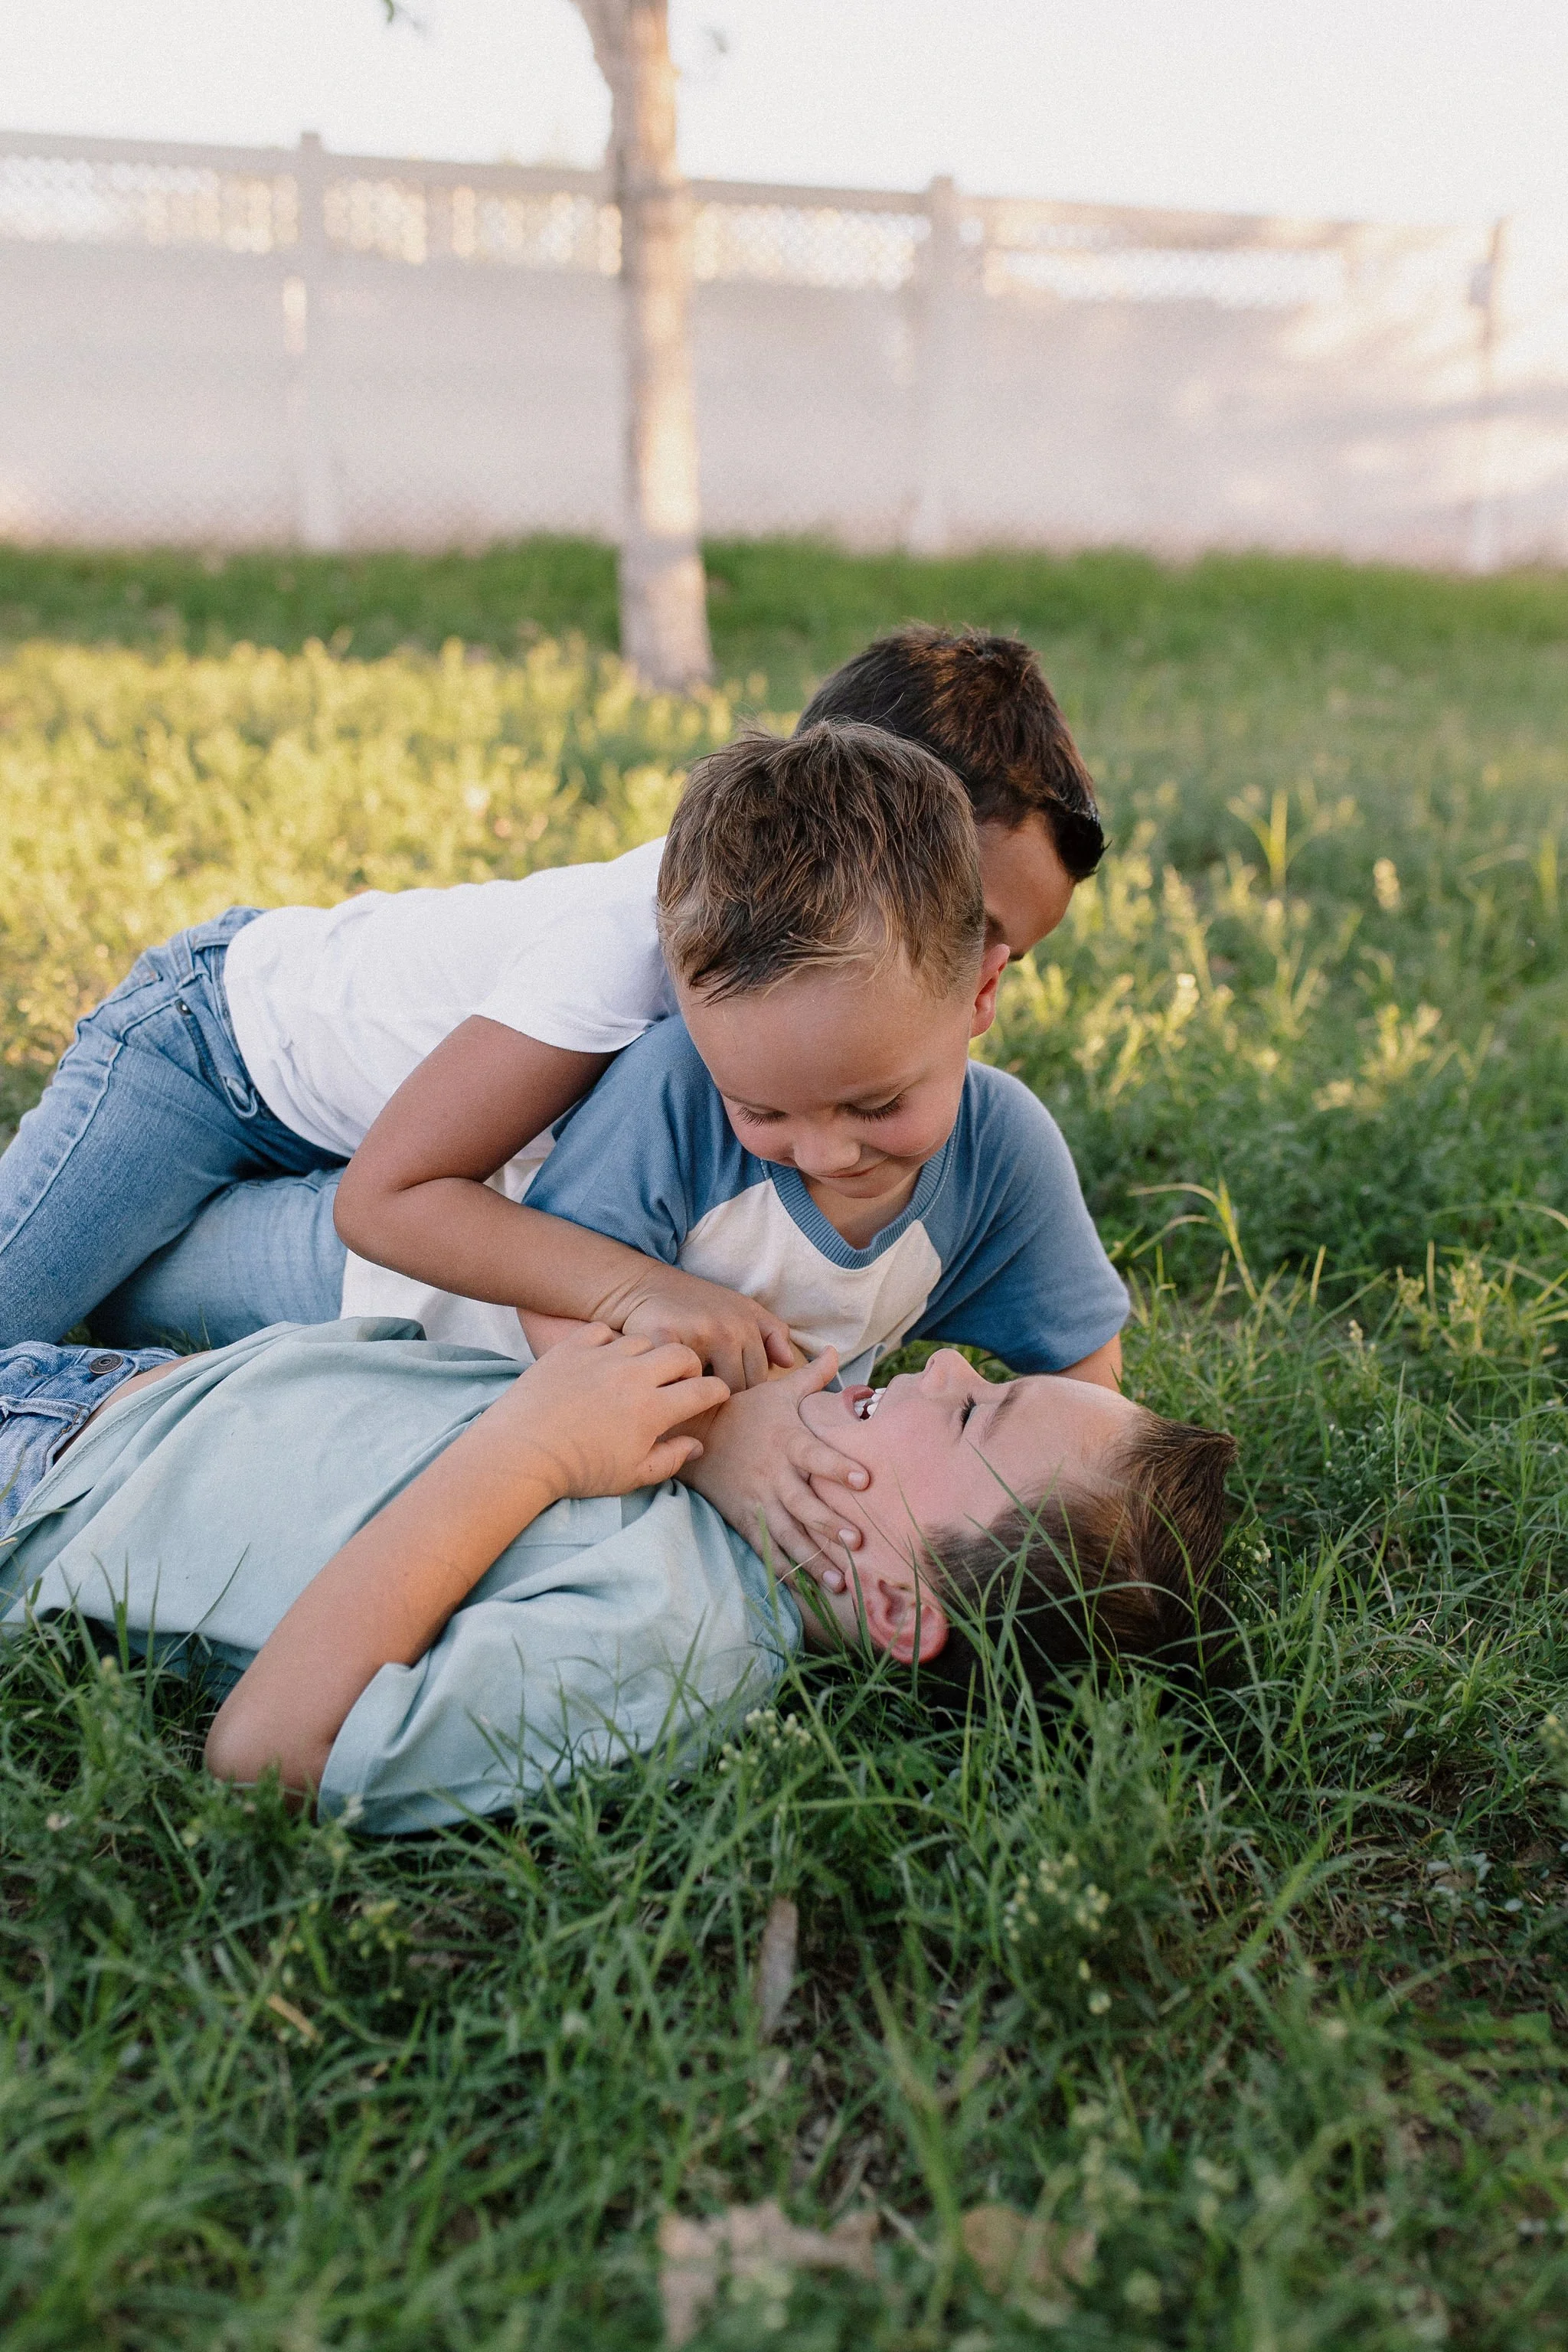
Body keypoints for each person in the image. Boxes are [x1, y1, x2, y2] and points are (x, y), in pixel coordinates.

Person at [89, 724, 1129, 1577]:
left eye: (876, 1102)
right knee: (125, 1290)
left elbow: (1087, 1402)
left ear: (984, 992)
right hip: (384, 1295)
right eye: (762, 1113)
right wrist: (715, 1442)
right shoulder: (677, 1081)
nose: (824, 1151)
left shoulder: (1006, 1164)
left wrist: (1106, 1550)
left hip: (440, 1342)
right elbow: (561, 1302)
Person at [0, 628, 1103, 1356]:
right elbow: (394, 1197)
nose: (986, 974)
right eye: (978, 921)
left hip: (386, 1137)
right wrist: (635, 1294)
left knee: (128, 1296)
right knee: (19, 1311)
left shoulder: (795, 997)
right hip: (218, 1055)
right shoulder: (648, 941)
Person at [0, 1320, 1235, 1834]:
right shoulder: (754, 1470)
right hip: (109, 1385)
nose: (953, 1362)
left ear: (900, 1601)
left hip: (51, 1489)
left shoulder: (669, 1646)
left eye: (977, 1418)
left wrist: (529, 1449)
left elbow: (273, 1755)